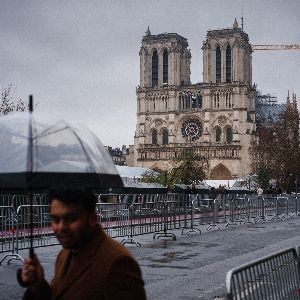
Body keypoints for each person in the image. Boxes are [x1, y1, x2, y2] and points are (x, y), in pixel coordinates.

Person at [18, 188, 147, 300]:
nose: (61, 227)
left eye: (71, 219)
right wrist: (38, 285)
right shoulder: (65, 253)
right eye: (56, 219)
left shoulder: (118, 263)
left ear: (92, 219)